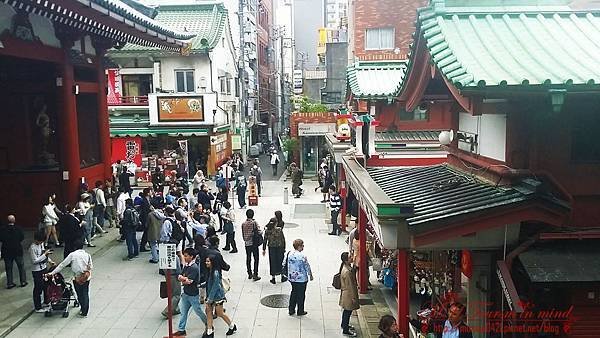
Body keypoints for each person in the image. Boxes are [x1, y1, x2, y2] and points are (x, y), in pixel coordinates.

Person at [45, 239, 92, 317]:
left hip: (77, 277)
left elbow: (62, 265)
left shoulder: (72, 255)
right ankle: (85, 311)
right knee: (85, 293)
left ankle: (83, 310)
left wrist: (52, 273)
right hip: (86, 277)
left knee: (79, 293)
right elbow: (90, 267)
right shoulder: (87, 255)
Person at [173, 248, 207, 337]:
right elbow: (181, 275)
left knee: (198, 311)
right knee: (183, 312)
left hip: (193, 295)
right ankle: (181, 329)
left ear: (192, 257)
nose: (184, 257)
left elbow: (188, 281)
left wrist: (182, 279)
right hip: (185, 294)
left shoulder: (194, 267)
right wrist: (183, 278)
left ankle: (208, 324)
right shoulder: (187, 265)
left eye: (186, 255)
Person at [205, 255, 237, 337]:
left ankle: (232, 326)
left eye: (208, 261)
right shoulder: (210, 271)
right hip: (210, 296)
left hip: (217, 297)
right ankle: (209, 332)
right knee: (208, 312)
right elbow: (209, 283)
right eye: (206, 261)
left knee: (220, 313)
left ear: (212, 262)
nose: (206, 263)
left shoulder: (215, 273)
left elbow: (215, 286)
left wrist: (210, 299)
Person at [285, 239, 313, 316]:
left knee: (293, 292)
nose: (303, 247)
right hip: (301, 278)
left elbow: (284, 263)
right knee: (301, 295)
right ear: (299, 246)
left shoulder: (289, 253)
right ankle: (300, 310)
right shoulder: (302, 256)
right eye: (302, 245)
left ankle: (291, 309)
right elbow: (307, 266)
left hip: (292, 277)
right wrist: (310, 275)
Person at [30, 229, 54, 312]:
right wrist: (45, 255)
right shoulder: (32, 248)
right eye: (40, 241)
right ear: (36, 239)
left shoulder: (41, 244)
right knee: (38, 288)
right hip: (37, 270)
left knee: (46, 285)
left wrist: (49, 261)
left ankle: (46, 301)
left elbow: (44, 254)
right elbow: (35, 260)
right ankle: (38, 307)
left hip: (44, 268)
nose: (41, 243)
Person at [0, 215, 27, 288]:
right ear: (14, 220)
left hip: (6, 251)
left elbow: (1, 239)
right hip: (17, 250)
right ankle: (23, 281)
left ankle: (10, 283)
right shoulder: (18, 228)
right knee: (21, 266)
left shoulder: (2, 229)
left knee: (8, 268)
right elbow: (22, 237)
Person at [339, 251, 359, 336]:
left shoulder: (346, 268)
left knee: (346, 311)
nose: (352, 258)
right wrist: (353, 297)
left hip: (346, 293)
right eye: (350, 257)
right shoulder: (347, 272)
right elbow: (351, 286)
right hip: (348, 295)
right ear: (346, 260)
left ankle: (344, 325)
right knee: (348, 312)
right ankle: (346, 329)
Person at [262, 218, 286, 284]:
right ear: (276, 223)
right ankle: (282, 276)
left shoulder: (267, 231)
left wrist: (264, 249)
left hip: (271, 248)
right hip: (279, 247)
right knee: (280, 261)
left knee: (272, 262)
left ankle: (273, 278)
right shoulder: (279, 230)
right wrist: (284, 248)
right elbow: (283, 239)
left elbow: (265, 240)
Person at [241, 209, 261, 281]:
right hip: (254, 243)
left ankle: (249, 273)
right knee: (256, 258)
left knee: (248, 258)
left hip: (247, 243)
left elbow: (243, 234)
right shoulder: (254, 223)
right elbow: (259, 231)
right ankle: (255, 274)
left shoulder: (243, 224)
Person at [147, 199, 165, 264]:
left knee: (153, 245)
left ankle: (155, 258)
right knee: (160, 245)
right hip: (160, 231)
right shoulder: (162, 213)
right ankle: (162, 257)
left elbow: (147, 224)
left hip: (153, 231)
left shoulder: (150, 214)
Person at [139, 188, 154, 252]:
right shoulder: (144, 201)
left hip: (148, 218)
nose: (152, 192)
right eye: (150, 191)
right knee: (146, 233)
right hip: (145, 219)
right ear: (148, 193)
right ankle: (143, 246)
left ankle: (144, 245)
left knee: (147, 233)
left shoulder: (149, 199)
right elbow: (144, 212)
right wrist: (145, 222)